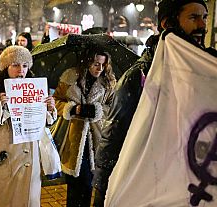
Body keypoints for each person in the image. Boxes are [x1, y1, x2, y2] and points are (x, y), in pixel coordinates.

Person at [93, 0, 212, 206]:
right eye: (193, 17)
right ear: (168, 24)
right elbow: (113, 139)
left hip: (191, 187)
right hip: (153, 187)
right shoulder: (140, 76)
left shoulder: (207, 70)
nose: (202, 25)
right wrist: (102, 191)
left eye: (204, 17)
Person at [0, 45, 57, 207]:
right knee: (5, 201)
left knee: (29, 200)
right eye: (16, 65)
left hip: (29, 157)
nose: (21, 70)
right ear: (6, 67)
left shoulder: (36, 87)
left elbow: (45, 123)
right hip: (3, 157)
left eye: (25, 65)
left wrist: (49, 108)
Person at [53, 49, 116, 207]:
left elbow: (112, 108)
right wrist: (72, 109)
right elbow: (56, 101)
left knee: (88, 184)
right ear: (87, 62)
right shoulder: (70, 77)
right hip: (72, 138)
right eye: (96, 64)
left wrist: (97, 110)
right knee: (73, 185)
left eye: (103, 64)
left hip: (95, 139)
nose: (99, 68)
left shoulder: (108, 82)